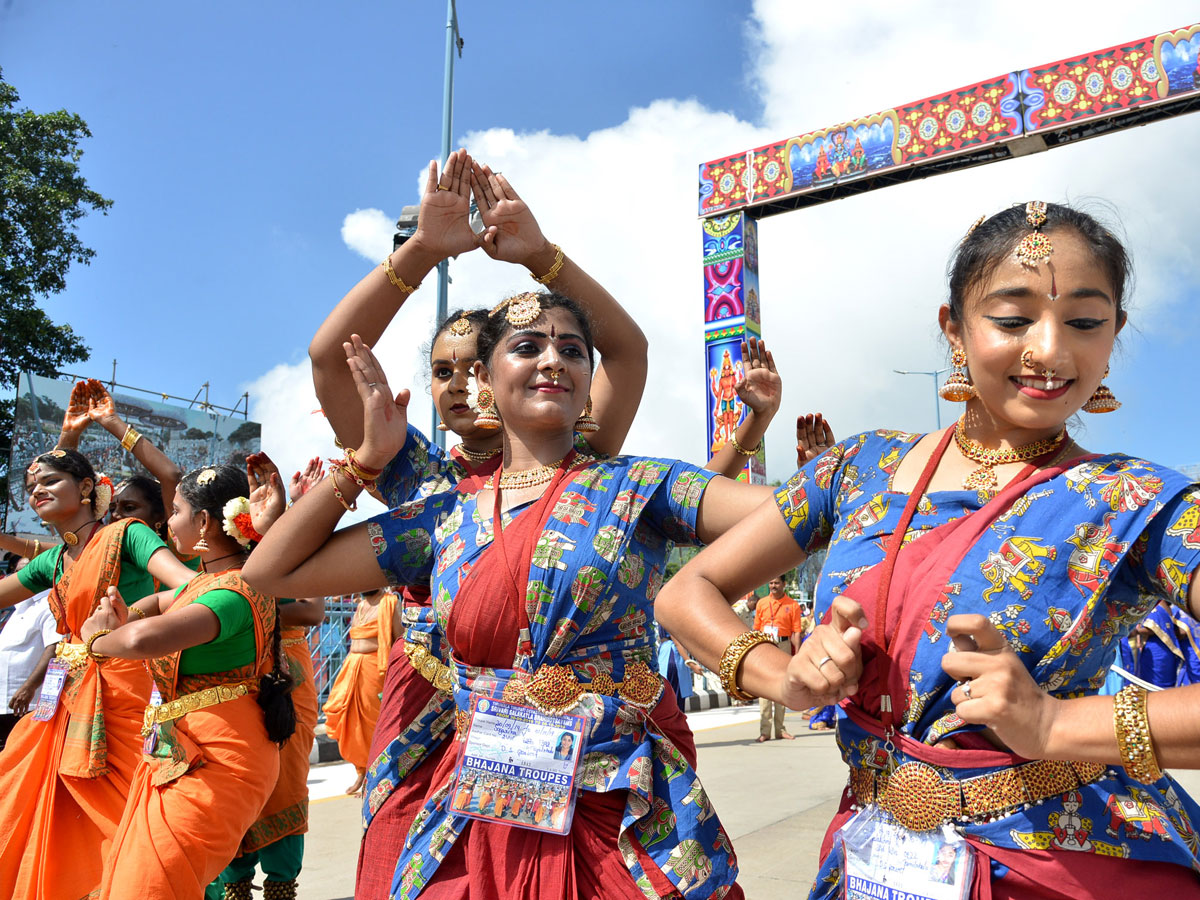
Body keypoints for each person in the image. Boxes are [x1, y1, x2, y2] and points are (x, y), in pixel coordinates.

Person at [657, 201, 1200, 897]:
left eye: (1085, 323)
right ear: (954, 329)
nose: (1050, 350)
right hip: (876, 856)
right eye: (1011, 319)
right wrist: (784, 679)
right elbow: (685, 592)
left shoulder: (1139, 502)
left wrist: (1059, 723)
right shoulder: (858, 470)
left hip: (1063, 867)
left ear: (1114, 333)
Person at [306, 151, 783, 900]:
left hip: (590, 730)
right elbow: (330, 367)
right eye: (444, 370)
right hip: (443, 712)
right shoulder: (426, 487)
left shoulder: (591, 465)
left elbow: (627, 362)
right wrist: (421, 254)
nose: (461, 384)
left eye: (476, 363)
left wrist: (541, 256)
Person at [81, 459, 295, 900]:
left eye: (174, 511)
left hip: (220, 757)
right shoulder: (200, 583)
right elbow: (159, 601)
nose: (167, 522)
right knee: (140, 881)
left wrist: (99, 636)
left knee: (151, 886)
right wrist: (127, 610)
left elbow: (140, 641)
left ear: (202, 521)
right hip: (180, 751)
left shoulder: (236, 590)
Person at [0, 447, 197, 900]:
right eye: (32, 487)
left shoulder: (128, 534)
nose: (37, 492)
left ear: (87, 487)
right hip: (61, 699)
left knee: (136, 821)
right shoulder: (54, 561)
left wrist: (137, 622)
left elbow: (187, 586)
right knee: (41, 806)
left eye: (49, 481)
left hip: (124, 694)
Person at [209, 460, 326, 900]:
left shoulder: (299, 551)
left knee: (286, 778)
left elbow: (312, 611)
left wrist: (243, 612)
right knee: (234, 776)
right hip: (236, 675)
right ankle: (235, 883)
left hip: (287, 679)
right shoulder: (220, 560)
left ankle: (281, 885)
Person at [57, 379, 185, 543]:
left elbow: (171, 476)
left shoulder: (176, 548)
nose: (116, 515)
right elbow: (60, 493)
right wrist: (69, 435)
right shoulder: (98, 549)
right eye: (111, 509)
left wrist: (112, 422)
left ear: (160, 515)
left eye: (129, 508)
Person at [322, 587, 401, 794]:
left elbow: (399, 638)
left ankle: (379, 775)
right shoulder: (361, 605)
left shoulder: (390, 602)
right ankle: (361, 772)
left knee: (373, 725)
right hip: (352, 669)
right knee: (349, 722)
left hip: (375, 671)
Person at [0, 579, 57, 751]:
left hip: (25, 704)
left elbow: (54, 648)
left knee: (16, 757)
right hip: (5, 702)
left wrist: (29, 687)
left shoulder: (49, 604)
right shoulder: (18, 608)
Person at [752, 575, 802, 742]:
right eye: (771, 582)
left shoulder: (792, 605)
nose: (773, 586)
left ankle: (780, 729)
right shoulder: (762, 603)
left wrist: (798, 655)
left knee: (781, 686)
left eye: (776, 583)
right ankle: (764, 731)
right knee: (764, 686)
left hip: (783, 645)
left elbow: (796, 631)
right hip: (765, 645)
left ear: (784, 584)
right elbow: (757, 628)